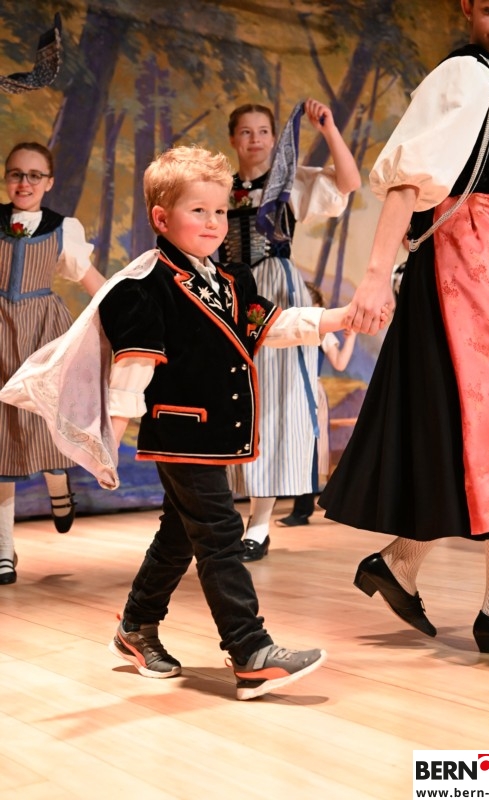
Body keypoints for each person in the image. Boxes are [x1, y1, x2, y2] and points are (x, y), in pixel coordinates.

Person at [66, 144, 360, 700]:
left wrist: (338, 317)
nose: (213, 222)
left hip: (216, 436)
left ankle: (135, 626)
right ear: (161, 218)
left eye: (220, 211)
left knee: (180, 534)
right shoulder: (142, 286)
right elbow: (131, 372)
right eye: (198, 210)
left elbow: (272, 326)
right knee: (221, 536)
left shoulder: (231, 279)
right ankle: (250, 651)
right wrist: (106, 445)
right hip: (180, 433)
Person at [321, 0, 489, 654]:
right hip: (466, 251)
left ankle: (405, 563)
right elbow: (409, 182)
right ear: (466, 8)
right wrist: (373, 275)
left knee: (474, 420)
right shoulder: (462, 75)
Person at [220, 98, 362, 562]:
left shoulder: (291, 181)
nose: (255, 139)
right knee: (233, 399)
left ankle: (259, 525)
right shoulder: (220, 187)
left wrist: (328, 129)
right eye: (246, 132)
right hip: (228, 292)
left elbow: (349, 183)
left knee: (275, 401)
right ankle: (220, 515)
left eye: (263, 131)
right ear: (233, 139)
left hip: (276, 292)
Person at [0, 142, 105, 585]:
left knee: (47, 421)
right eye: (16, 174)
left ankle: (59, 484)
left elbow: (90, 280)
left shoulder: (63, 229)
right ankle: (4, 550)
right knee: (1, 439)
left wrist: (129, 314)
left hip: (42, 329)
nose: (24, 183)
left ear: (49, 182)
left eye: (34, 175)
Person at [276, 281, 357, 527]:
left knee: (309, 448)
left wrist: (351, 336)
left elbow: (340, 363)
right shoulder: (288, 328)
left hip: (311, 391)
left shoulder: (323, 331)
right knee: (287, 446)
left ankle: (302, 509)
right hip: (287, 391)